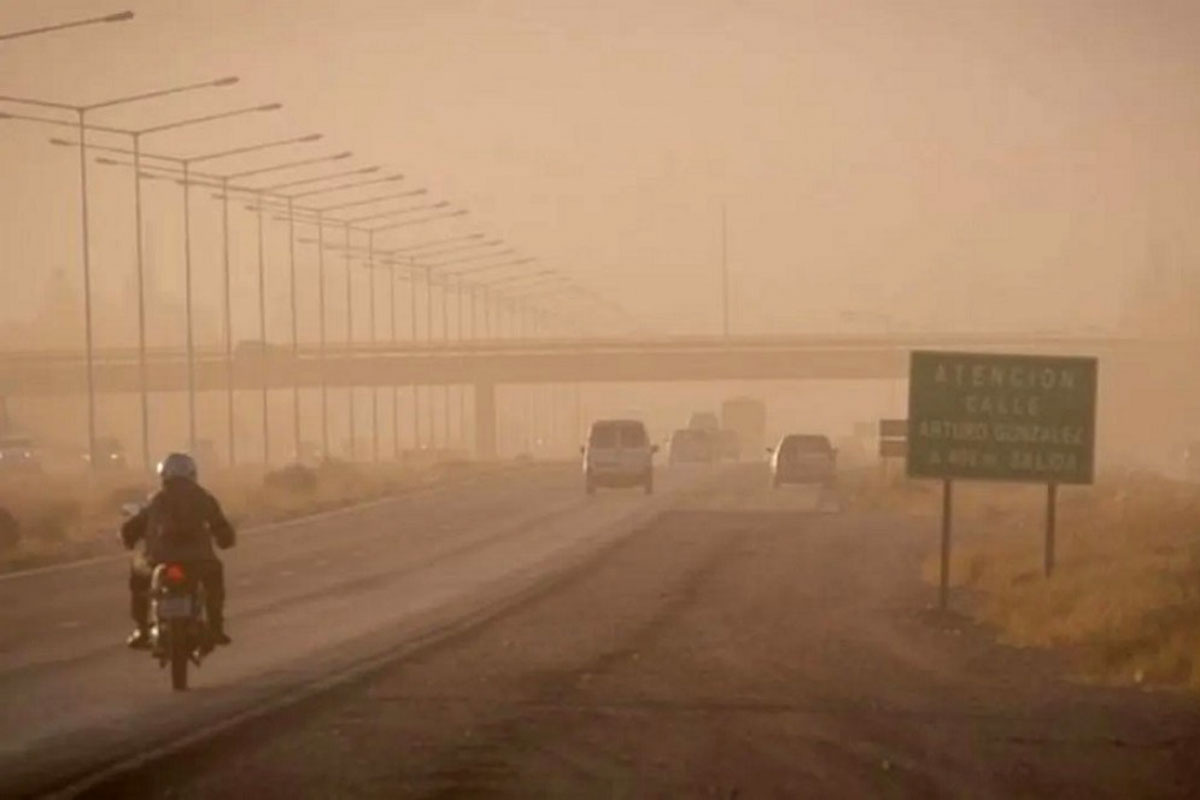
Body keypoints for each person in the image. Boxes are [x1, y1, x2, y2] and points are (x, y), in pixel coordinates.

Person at [121, 452, 236, 649]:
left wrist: (128, 538)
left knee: (138, 578)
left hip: (159, 559)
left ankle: (142, 629)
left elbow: (134, 526)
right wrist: (225, 539)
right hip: (199, 560)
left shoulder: (156, 499)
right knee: (214, 581)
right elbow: (221, 527)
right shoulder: (203, 498)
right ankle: (216, 627)